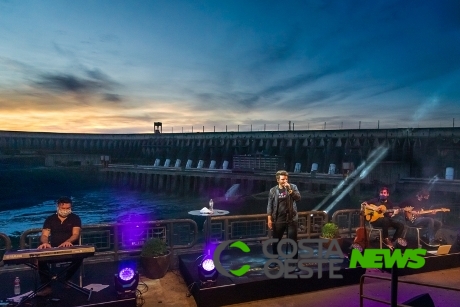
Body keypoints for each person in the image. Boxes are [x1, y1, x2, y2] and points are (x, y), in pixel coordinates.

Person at [36, 196, 82, 296]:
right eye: (63, 208)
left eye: (68, 208)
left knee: (79, 258)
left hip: (70, 249)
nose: (65, 210)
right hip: (53, 249)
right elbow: (44, 235)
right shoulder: (50, 219)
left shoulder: (75, 218)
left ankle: (66, 278)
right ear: (58, 207)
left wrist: (68, 241)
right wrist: (45, 242)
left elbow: (75, 234)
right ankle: (47, 286)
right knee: (41, 260)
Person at [267, 170, 301, 269]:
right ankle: (274, 261)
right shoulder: (273, 190)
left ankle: (295, 262)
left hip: (291, 219)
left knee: (293, 241)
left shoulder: (293, 187)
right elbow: (269, 205)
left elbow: (298, 198)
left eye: (286, 179)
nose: (285, 181)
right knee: (276, 241)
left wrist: (290, 190)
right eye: (282, 179)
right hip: (278, 219)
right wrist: (269, 219)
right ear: (278, 180)